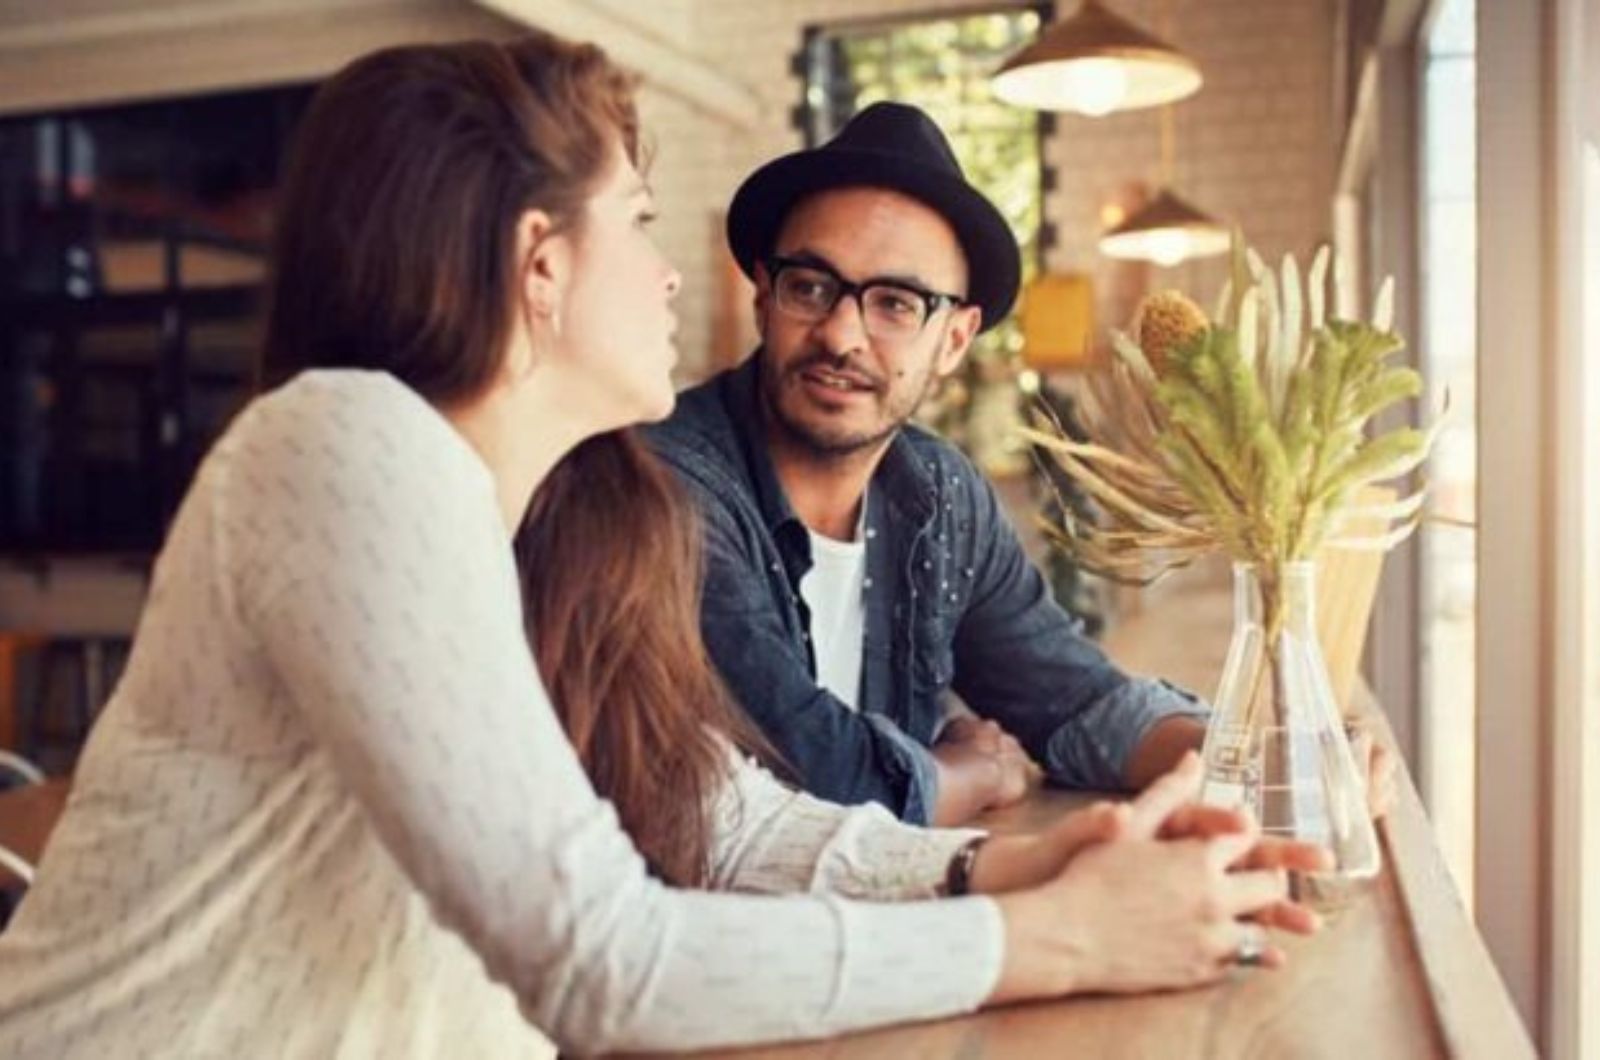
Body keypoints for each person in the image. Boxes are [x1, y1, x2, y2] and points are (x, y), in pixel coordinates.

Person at [0, 35, 1326, 1059]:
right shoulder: (347, 449)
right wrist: (1049, 938)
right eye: (636, 221)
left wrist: (1003, 862)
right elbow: (603, 956)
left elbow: (716, 818)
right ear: (540, 265)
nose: (680, 275)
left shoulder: (568, 511)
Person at [644, 102, 1396, 827]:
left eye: (896, 303)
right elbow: (799, 777)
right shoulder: (664, 486)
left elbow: (1076, 701)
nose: (842, 333)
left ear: (955, 340)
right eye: (810, 287)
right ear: (764, 299)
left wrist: (1264, 761)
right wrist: (969, 775)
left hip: (901, 926)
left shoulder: (939, 495)